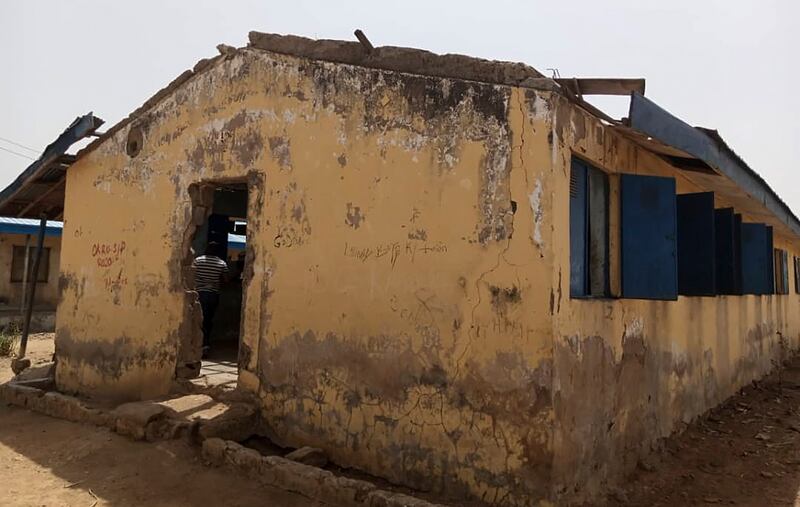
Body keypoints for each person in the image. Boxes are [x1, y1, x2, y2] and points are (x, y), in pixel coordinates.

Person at [192, 241, 229, 357]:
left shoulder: (198, 260)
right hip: (213, 295)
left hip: (199, 294)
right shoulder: (221, 263)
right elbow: (226, 280)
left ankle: (198, 344)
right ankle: (206, 345)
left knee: (198, 320)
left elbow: (191, 274)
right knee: (208, 320)